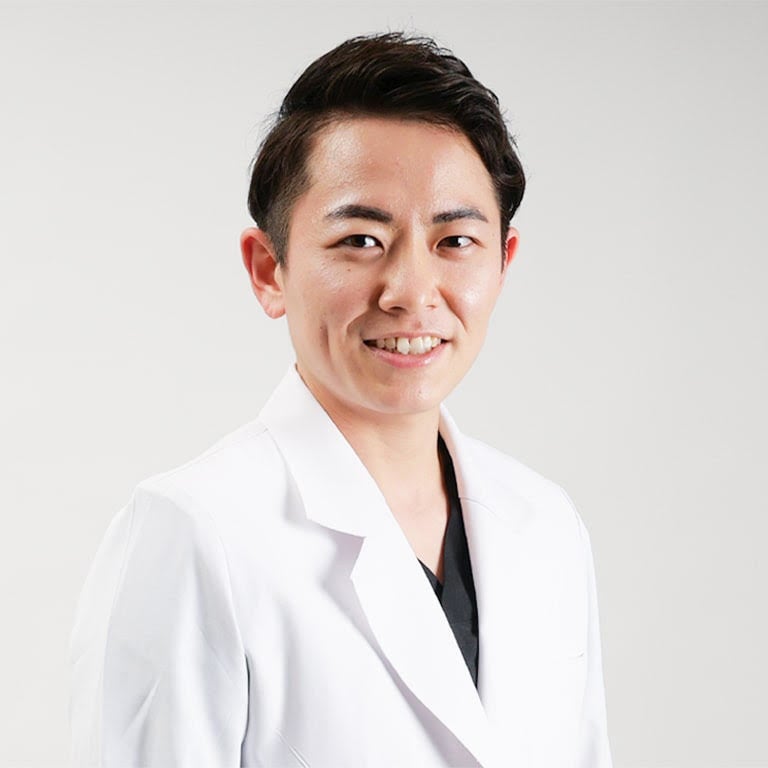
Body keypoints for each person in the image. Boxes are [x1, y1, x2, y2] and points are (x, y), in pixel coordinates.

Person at [69, 32, 612, 767]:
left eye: (455, 241)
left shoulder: (545, 525)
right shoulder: (195, 533)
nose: (411, 292)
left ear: (503, 263)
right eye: (360, 240)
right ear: (268, 269)